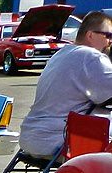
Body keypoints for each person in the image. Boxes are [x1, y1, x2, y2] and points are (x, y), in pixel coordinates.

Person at [18, 10, 112, 159]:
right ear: (90, 35)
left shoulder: (62, 54)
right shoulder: (92, 57)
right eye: (108, 35)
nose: (110, 41)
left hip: (31, 137)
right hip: (58, 141)